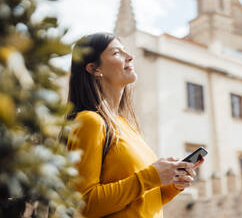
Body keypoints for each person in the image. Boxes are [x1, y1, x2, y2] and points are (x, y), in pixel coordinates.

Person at [66, 32, 204, 218]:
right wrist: (152, 176)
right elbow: (82, 205)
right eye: (116, 53)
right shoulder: (89, 121)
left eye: (126, 51)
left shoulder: (126, 126)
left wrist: (172, 186)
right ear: (93, 69)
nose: (129, 57)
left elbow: (138, 202)